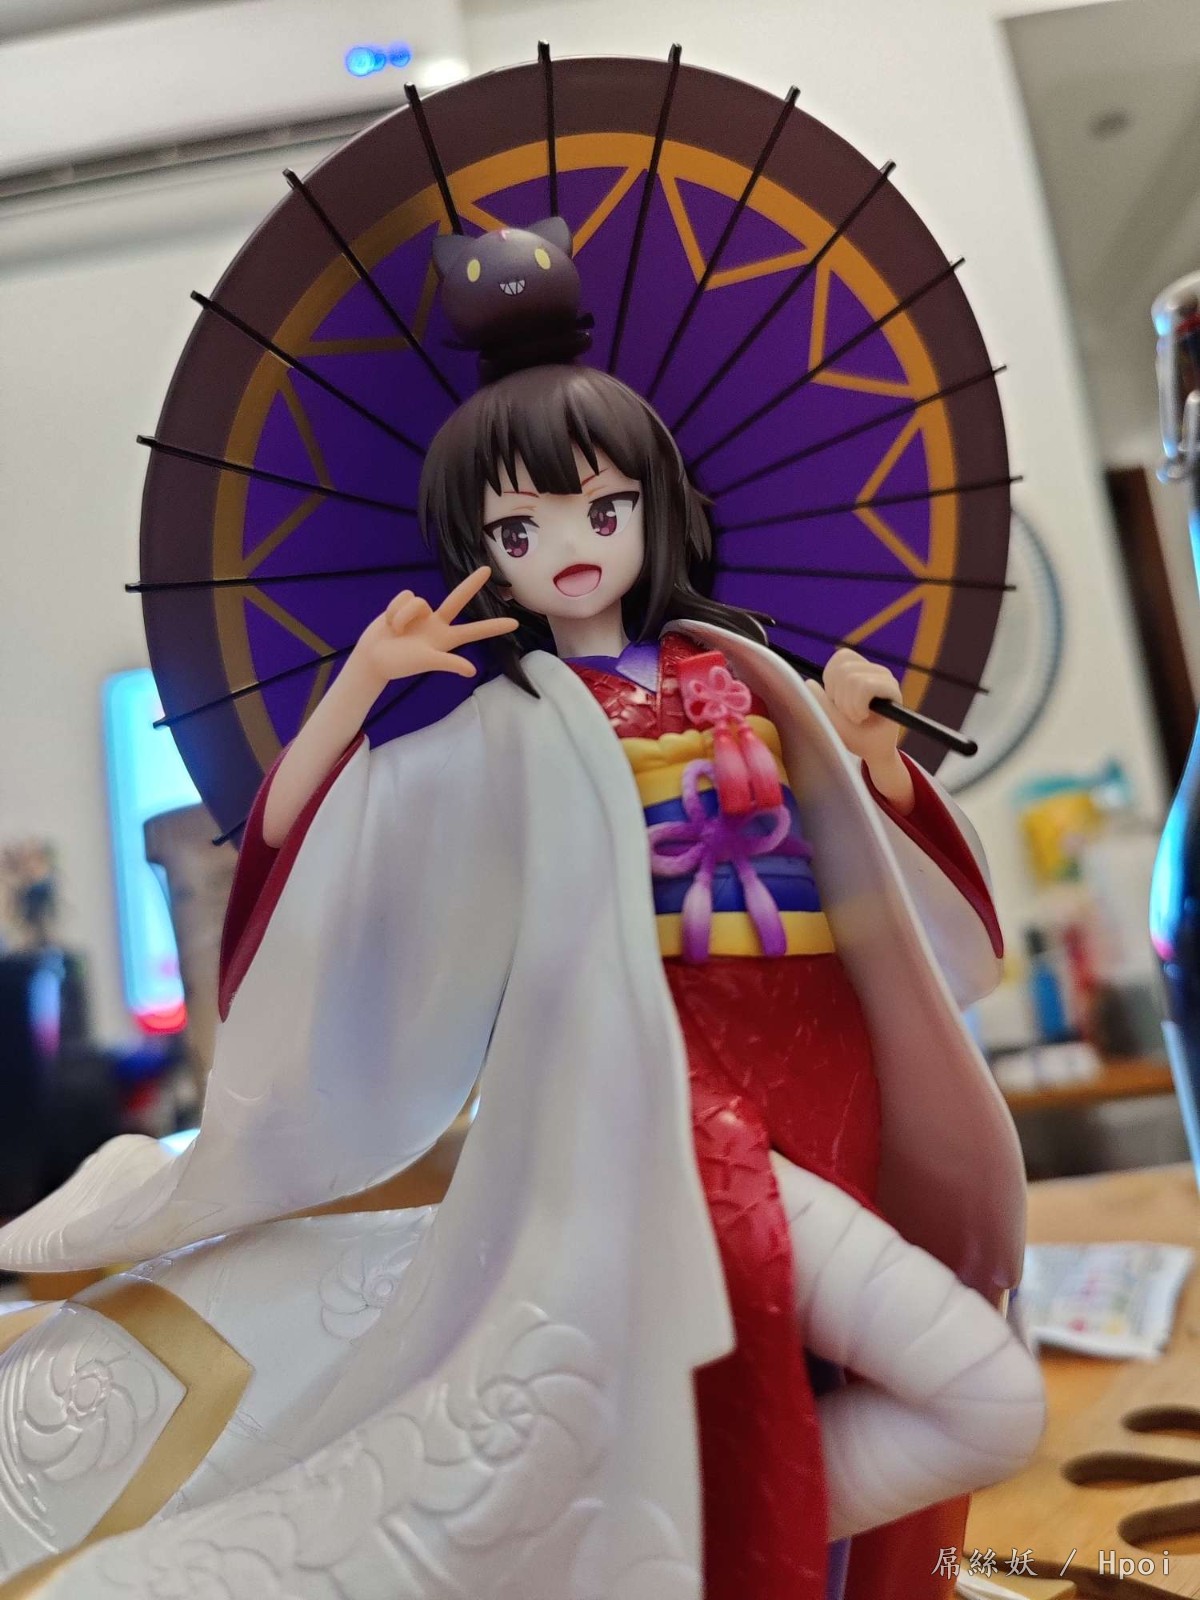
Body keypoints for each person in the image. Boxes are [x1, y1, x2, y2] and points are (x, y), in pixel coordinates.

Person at [0, 233, 1041, 1600]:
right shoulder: (508, 729)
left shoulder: (747, 677)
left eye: (604, 509)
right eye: (519, 530)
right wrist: (366, 683)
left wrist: (874, 755)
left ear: (655, 509)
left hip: (826, 1056)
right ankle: (723, 1543)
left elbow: (892, 878)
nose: (570, 549)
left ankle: (727, 1539)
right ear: (482, 551)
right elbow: (304, 843)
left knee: (829, 1368)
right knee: (942, 1386)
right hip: (673, 1092)